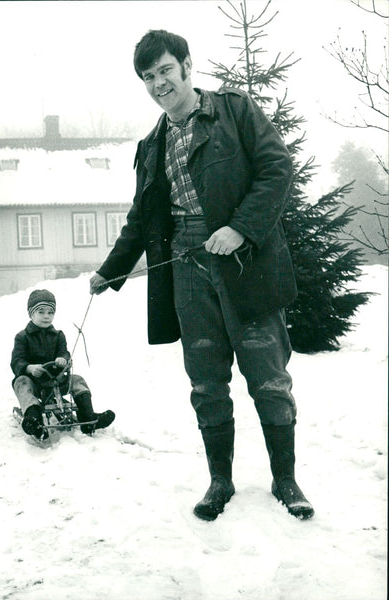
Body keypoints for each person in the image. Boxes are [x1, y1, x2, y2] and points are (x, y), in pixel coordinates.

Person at [89, 30, 314, 520]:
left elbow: (277, 169)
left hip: (245, 263)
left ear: (187, 66)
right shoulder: (152, 145)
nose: (159, 83)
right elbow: (142, 217)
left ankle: (286, 480)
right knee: (206, 382)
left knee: (269, 378)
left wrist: (241, 229)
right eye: (148, 77)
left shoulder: (234, 111)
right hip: (187, 269)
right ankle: (219, 481)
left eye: (165, 70)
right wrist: (111, 271)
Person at [11, 289, 115, 441]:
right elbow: (17, 360)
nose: (46, 316)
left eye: (50, 312)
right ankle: (34, 420)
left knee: (77, 380)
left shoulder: (58, 335)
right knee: (21, 383)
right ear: (31, 314)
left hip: (56, 380)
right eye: (41, 312)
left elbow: (64, 352)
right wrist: (29, 368)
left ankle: (88, 416)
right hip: (34, 382)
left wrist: (63, 359)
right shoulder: (22, 337)